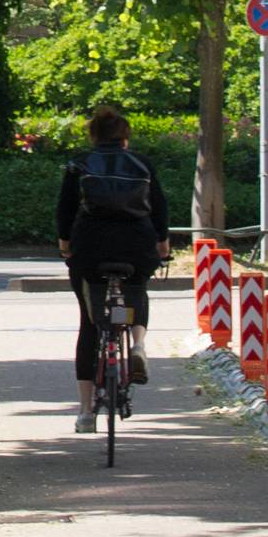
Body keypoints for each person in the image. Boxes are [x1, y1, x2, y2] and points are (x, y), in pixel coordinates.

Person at [56, 105, 170, 433]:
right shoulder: (142, 164)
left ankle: (85, 412)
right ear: (125, 137)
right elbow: (159, 207)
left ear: (94, 136)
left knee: (90, 324)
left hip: (90, 245)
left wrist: (66, 244)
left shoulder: (78, 164)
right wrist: (161, 244)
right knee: (136, 291)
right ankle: (137, 345)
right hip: (137, 243)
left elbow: (65, 209)